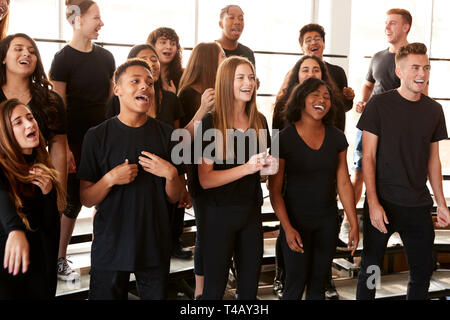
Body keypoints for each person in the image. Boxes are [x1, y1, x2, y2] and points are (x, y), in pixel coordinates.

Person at [78, 58, 183, 300]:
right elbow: (86, 198)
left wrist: (170, 174)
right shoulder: (96, 136)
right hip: (110, 244)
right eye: (135, 81)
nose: (145, 87)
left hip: (154, 243)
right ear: (117, 90)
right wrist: (110, 179)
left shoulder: (168, 135)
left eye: (149, 83)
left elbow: (176, 196)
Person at [356, 43, 450, 300]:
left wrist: (441, 203)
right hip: (383, 204)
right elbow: (369, 157)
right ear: (399, 71)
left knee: (421, 272)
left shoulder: (434, 110)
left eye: (426, 67)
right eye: (415, 68)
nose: (422, 73)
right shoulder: (379, 105)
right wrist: (373, 203)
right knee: (371, 270)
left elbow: (433, 161)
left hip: (418, 205)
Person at [269, 78, 359, 300]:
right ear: (301, 99)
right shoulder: (283, 139)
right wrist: (287, 228)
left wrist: (353, 222)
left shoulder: (337, 137)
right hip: (295, 224)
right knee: (294, 285)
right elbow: (274, 191)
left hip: (326, 223)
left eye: (326, 97)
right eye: (315, 95)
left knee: (319, 287)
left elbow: (344, 183)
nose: (322, 100)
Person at [197, 56, 274, 300]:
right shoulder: (211, 122)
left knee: (249, 290)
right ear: (226, 82)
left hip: (250, 213)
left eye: (251, 77)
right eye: (240, 77)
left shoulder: (259, 120)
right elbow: (205, 180)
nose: (248, 82)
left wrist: (267, 168)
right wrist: (247, 167)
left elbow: (260, 172)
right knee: (214, 290)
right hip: (218, 216)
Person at [49, 0, 115, 281]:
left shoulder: (107, 58)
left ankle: (105, 255)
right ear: (78, 20)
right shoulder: (62, 59)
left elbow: (112, 102)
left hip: (102, 139)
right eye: (95, 18)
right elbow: (57, 107)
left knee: (106, 197)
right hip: (73, 142)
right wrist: (63, 148)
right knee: (72, 203)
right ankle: (59, 259)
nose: (101, 23)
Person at [0, 99, 65, 299]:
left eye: (30, 117)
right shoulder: (2, 169)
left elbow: (51, 230)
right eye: (18, 122)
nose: (30, 124)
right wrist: (15, 229)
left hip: (38, 277)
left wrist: (47, 195)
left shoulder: (43, 171)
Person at [177, 41, 226, 299]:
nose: (225, 60)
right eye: (220, 56)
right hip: (199, 171)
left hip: (223, 171)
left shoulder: (221, 91)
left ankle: (215, 284)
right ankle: (200, 291)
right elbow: (182, 141)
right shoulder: (188, 94)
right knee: (205, 234)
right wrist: (202, 110)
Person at [351, 8, 413, 206]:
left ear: (406, 27)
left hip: (395, 130)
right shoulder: (377, 56)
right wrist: (363, 100)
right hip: (369, 125)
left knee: (391, 174)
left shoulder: (414, 59)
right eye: (386, 23)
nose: (387, 27)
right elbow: (369, 84)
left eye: (392, 23)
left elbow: (421, 96)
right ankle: (349, 220)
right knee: (359, 170)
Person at [0, 33, 68, 195]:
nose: (26, 54)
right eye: (18, 49)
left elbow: (58, 150)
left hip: (37, 185)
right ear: (3, 58)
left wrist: (59, 194)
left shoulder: (51, 100)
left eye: (32, 51)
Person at [297, 23, 354, 131]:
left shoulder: (338, 72)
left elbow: (344, 108)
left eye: (317, 39)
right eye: (308, 40)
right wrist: (276, 148)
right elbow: (280, 119)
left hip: (331, 135)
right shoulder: (294, 74)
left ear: (323, 44)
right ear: (302, 47)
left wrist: (348, 99)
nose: (313, 42)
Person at [147, 27, 183, 93]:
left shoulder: (183, 76)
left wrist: (173, 98)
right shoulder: (144, 74)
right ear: (152, 46)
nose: (169, 47)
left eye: (173, 44)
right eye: (163, 42)